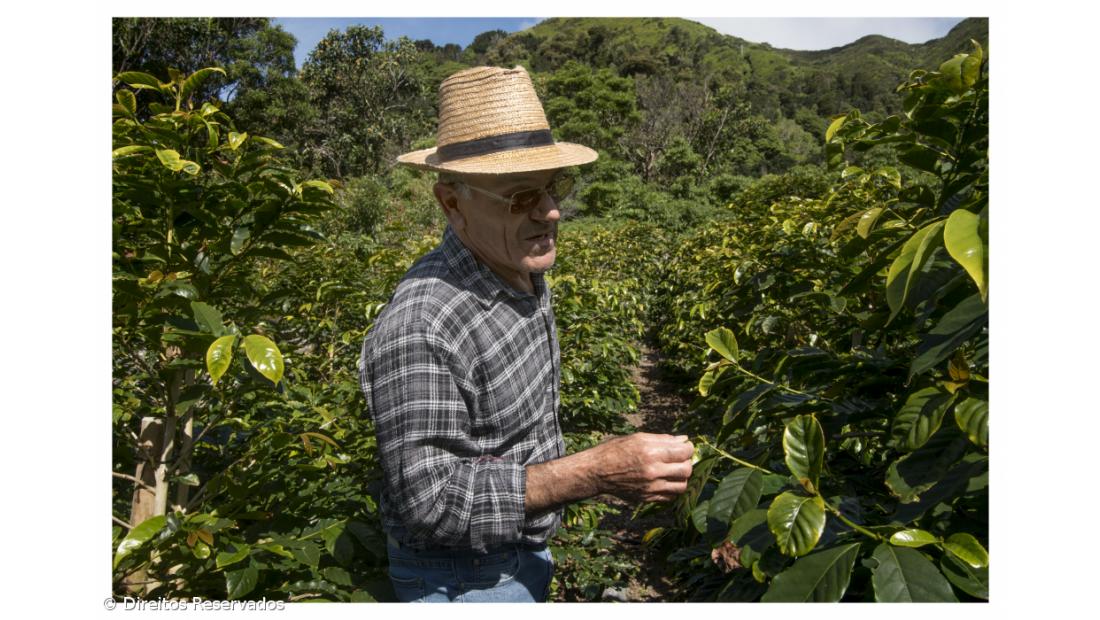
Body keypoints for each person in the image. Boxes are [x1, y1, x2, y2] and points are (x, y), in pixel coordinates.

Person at [359, 65, 695, 603]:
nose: (552, 211)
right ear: (451, 202)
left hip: (523, 546)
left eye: (552, 187)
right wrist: (594, 472)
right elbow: (428, 500)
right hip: (465, 578)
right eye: (520, 198)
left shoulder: (518, 268)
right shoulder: (423, 324)